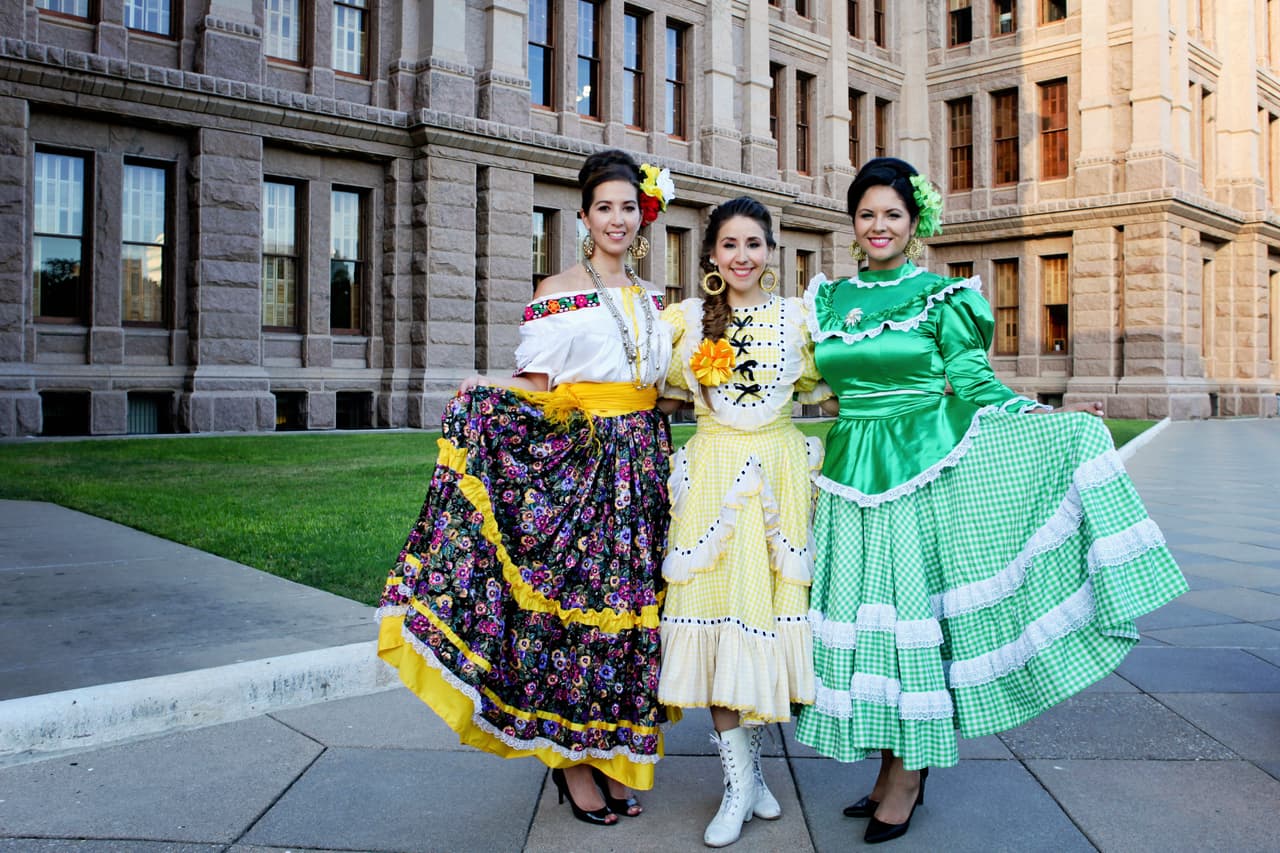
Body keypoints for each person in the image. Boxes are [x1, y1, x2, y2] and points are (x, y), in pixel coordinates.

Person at [794, 157, 1187, 844]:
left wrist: (1039, 415)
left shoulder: (942, 297)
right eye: (867, 214)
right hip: (852, 472)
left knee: (913, 619)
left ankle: (909, 774)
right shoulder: (827, 301)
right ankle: (891, 766)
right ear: (852, 223)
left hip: (922, 472)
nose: (878, 225)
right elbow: (811, 384)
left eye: (892, 213)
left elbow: (973, 382)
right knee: (873, 624)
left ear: (914, 223)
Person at [377, 149, 678, 827]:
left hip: (643, 471)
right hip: (581, 469)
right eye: (604, 206)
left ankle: (607, 753)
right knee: (570, 613)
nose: (617, 219)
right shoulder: (556, 290)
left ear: (644, 214)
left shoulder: (656, 300)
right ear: (583, 215)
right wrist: (486, 389)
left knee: (630, 619)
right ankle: (570, 767)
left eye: (628, 206)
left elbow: (664, 390)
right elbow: (539, 389)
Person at [657, 197, 831, 847]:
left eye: (754, 244)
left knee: (760, 629)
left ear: (771, 251)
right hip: (711, 486)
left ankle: (751, 777)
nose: (742, 256)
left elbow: (839, 379)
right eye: (729, 244)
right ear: (711, 253)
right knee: (721, 624)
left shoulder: (798, 321)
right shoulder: (685, 322)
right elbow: (633, 372)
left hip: (779, 484)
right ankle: (740, 783)